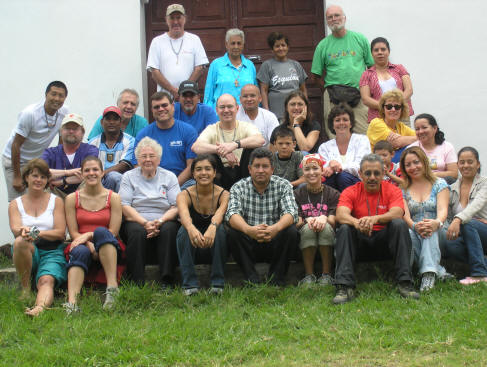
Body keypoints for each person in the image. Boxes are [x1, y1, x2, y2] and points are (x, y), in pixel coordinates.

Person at [333, 153, 418, 304]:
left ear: (384, 174)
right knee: (345, 228)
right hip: (359, 242)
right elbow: (340, 214)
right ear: (360, 174)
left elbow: (398, 212)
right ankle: (345, 286)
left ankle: (405, 282)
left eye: (377, 173)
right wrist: (357, 223)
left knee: (399, 224)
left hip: (384, 242)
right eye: (367, 173)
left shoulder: (392, 189)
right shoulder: (350, 191)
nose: (372, 177)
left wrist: (375, 219)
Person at [225, 148, 299, 286]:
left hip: (274, 240)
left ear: (272, 169)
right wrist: (248, 230)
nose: (260, 170)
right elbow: (231, 214)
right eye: (256, 166)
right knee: (234, 233)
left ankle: (277, 279)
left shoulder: (283, 185)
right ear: (249, 169)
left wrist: (275, 229)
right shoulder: (238, 187)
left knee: (291, 231)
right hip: (250, 241)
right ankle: (251, 278)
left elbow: (292, 212)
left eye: (265, 166)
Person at [64, 156, 123, 313]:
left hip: (107, 243)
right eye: (87, 170)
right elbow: (74, 232)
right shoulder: (71, 199)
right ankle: (72, 304)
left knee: (101, 232)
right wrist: (89, 245)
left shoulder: (114, 198)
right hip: (81, 243)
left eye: (95, 169)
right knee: (79, 251)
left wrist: (90, 235)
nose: (91, 173)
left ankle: (112, 290)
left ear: (102, 173)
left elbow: (113, 232)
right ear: (82, 174)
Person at [8, 159, 66, 316]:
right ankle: (26, 288)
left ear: (47, 180)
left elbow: (60, 233)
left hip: (52, 250)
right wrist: (23, 232)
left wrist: (35, 232)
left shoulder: (56, 201)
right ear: (26, 177)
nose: (38, 180)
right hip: (28, 249)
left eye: (43, 177)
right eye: (34, 176)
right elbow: (15, 229)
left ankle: (39, 308)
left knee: (46, 281)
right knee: (20, 241)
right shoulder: (15, 203)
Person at [119, 137, 180, 287]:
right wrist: (145, 223)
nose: (148, 160)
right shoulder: (128, 177)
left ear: (159, 159)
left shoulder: (169, 176)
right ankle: (136, 281)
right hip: (136, 219)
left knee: (170, 229)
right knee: (137, 231)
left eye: (152, 156)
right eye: (143, 156)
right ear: (138, 160)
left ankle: (167, 279)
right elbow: (125, 205)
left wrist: (160, 221)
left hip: (164, 219)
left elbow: (176, 206)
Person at [311, 5, 373, 137]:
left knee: (364, 134)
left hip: (359, 95)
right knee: (335, 135)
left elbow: (372, 68)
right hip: (333, 97)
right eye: (330, 17)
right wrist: (328, 91)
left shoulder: (359, 39)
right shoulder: (322, 45)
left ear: (344, 18)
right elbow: (315, 76)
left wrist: (367, 90)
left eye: (337, 15)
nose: (334, 19)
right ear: (327, 22)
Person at [3, 81, 69, 201]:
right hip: (15, 160)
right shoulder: (30, 114)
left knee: (37, 201)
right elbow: (16, 145)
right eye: (53, 94)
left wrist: (56, 169)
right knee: (19, 203)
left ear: (65, 98)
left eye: (61, 96)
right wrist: (17, 176)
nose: (57, 98)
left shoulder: (64, 112)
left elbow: (61, 144)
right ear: (46, 95)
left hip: (36, 161)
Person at [176, 155, 229, 295]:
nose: (203, 173)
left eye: (207, 169)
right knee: (183, 231)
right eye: (199, 169)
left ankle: (218, 283)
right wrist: (190, 228)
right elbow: (184, 215)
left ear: (214, 172)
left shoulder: (224, 194)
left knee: (221, 230)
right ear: (193, 174)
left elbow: (220, 214)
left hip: (215, 243)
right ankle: (189, 285)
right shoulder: (184, 194)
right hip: (193, 242)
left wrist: (212, 227)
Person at [400, 146, 450, 292]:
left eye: (416, 162)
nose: (413, 167)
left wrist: (436, 223)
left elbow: (443, 210)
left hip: (439, 229)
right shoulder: (403, 188)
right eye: (408, 165)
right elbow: (405, 216)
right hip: (413, 229)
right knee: (407, 234)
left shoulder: (439, 183)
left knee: (429, 229)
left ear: (424, 162)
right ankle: (438, 271)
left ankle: (428, 274)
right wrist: (414, 226)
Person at [192, 94, 265, 190]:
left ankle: (250, 191)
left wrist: (234, 145)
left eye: (230, 106)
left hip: (244, 170)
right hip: (219, 174)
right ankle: (217, 197)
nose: (226, 110)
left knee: (253, 150)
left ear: (237, 108)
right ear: (217, 110)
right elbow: (196, 147)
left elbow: (260, 140)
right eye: (222, 107)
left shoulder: (245, 126)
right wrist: (220, 150)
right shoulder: (212, 129)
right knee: (209, 155)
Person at [133, 91, 197, 188]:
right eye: (156, 107)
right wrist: (154, 187)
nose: (161, 109)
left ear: (173, 106)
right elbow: (137, 166)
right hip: (150, 184)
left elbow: (191, 166)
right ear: (152, 110)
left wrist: (172, 186)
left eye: (164, 105)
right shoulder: (143, 134)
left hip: (181, 184)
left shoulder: (188, 131)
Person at [294, 154, 339, 286]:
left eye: (315, 168)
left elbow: (333, 220)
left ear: (321, 170)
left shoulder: (333, 193)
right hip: (305, 232)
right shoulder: (296, 194)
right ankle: (309, 275)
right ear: (303, 172)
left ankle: (326, 275)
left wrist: (323, 217)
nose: (311, 172)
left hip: (327, 231)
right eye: (307, 169)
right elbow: (297, 222)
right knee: (308, 229)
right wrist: (309, 220)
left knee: (324, 228)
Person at [444, 147, 487, 284]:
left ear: (478, 164)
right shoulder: (452, 188)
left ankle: (479, 273)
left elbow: (477, 205)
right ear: (457, 165)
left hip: (483, 230)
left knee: (468, 222)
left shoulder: (484, 183)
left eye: (470, 162)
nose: (466, 165)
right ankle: (482, 265)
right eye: (462, 162)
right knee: (450, 244)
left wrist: (458, 219)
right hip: (466, 235)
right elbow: (448, 216)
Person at [146, 3, 208, 99]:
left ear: (185, 19)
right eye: (172, 18)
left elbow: (199, 68)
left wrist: (184, 90)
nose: (175, 22)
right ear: (166, 20)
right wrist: (173, 90)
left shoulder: (194, 39)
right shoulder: (157, 42)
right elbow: (154, 72)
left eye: (178, 17)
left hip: (189, 96)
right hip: (165, 99)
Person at [41, 113, 100, 197]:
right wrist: (67, 172)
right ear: (61, 132)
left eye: (75, 129)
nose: (71, 131)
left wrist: (63, 181)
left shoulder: (90, 150)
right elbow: (41, 172)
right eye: (67, 128)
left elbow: (88, 173)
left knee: (89, 178)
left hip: (82, 195)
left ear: (82, 132)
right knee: (43, 183)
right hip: (56, 194)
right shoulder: (50, 152)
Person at [359, 37, 414, 124]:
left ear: (388, 52)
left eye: (383, 49)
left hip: (401, 116)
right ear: (372, 53)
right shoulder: (366, 74)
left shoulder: (399, 68)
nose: (380, 52)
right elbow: (365, 99)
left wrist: (396, 106)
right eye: (376, 50)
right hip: (379, 119)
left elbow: (409, 90)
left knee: (405, 138)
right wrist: (386, 107)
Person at [318, 104, 370, 191]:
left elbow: (362, 166)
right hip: (333, 185)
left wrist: (339, 166)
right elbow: (323, 169)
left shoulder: (362, 140)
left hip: (358, 184)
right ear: (332, 124)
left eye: (345, 120)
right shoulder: (324, 147)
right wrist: (330, 167)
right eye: (337, 120)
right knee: (328, 179)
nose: (341, 123)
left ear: (351, 123)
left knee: (342, 177)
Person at [257, 31, 308, 121]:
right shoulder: (267, 65)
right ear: (272, 49)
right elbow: (263, 90)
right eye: (277, 46)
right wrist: (266, 112)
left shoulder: (296, 65)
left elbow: (303, 89)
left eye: (283, 45)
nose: (281, 48)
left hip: (296, 114)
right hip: (276, 115)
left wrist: (305, 108)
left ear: (288, 47)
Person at [203, 28, 257, 108]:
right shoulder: (216, 65)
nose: (236, 46)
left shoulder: (250, 65)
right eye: (233, 43)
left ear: (243, 45)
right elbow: (208, 95)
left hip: (246, 115)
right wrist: (210, 114)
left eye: (239, 43)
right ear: (226, 45)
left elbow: (255, 93)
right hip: (222, 115)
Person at [88, 106, 135, 192]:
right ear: (102, 122)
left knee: (114, 176)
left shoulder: (130, 141)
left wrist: (102, 173)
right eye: (108, 119)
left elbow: (124, 166)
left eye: (115, 119)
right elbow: (90, 166)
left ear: (120, 123)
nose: (111, 122)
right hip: (98, 181)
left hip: (122, 183)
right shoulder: (93, 142)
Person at [366, 89, 417, 162]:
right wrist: (402, 141)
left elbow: (421, 138)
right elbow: (397, 142)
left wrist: (404, 140)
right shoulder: (376, 123)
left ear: (402, 110)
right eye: (389, 106)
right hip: (376, 165)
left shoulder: (401, 127)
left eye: (397, 107)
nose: (393, 110)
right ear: (383, 109)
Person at [408, 113, 458, 184]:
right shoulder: (411, 149)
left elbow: (454, 174)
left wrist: (431, 175)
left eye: (424, 127)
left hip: (443, 185)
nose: (420, 131)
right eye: (417, 129)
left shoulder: (447, 147)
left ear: (435, 128)